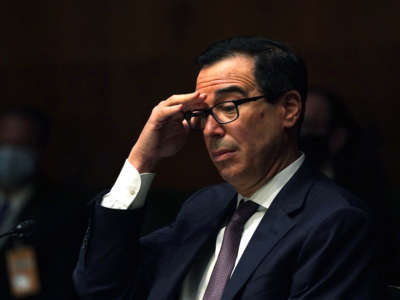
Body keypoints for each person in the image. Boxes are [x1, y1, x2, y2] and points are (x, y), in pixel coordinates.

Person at [73, 37, 384, 299]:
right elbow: (100, 287)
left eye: (227, 107)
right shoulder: (204, 207)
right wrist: (141, 159)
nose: (210, 129)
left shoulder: (335, 221)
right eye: (203, 113)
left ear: (288, 109)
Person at [0, 107, 88, 300]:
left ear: (40, 151)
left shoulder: (61, 210)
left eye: (21, 146)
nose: (10, 155)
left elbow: (47, 284)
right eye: (4, 144)